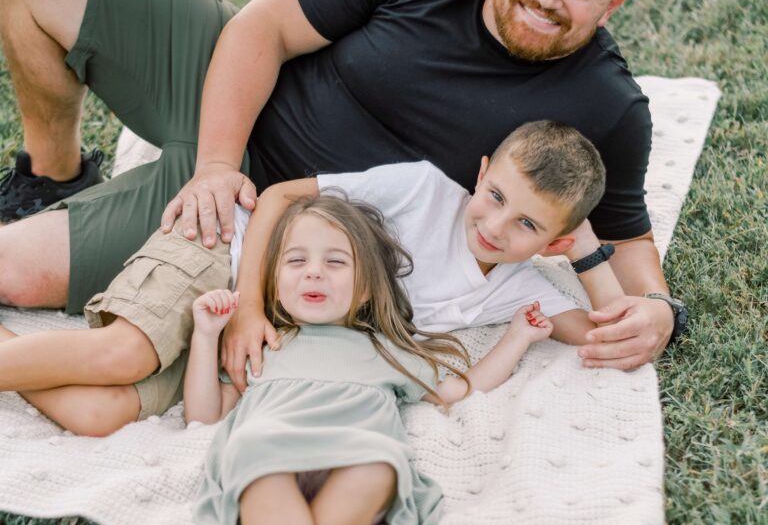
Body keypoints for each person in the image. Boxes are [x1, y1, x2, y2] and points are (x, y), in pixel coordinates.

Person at [0, 0, 684, 369]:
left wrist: (657, 307)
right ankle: (52, 171)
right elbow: (261, 28)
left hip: (264, 223)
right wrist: (215, 163)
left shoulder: (607, 107)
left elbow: (627, 236)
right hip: (231, 103)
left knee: (15, 274)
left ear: (612, 4)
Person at [175, 194, 568, 525]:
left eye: (335, 262)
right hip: (268, 453)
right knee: (256, 451)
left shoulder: (387, 349)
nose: (314, 273)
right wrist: (207, 337)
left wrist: (517, 338)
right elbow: (204, 417)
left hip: (355, 455)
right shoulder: (266, 343)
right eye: (296, 261)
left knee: (382, 465)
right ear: (273, 279)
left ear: (365, 287)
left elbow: (459, 389)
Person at [0, 122, 618, 434]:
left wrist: (586, 255)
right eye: (495, 195)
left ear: (555, 242)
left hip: (248, 347)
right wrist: (247, 307)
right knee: (123, 353)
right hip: (229, 258)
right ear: (480, 172)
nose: (496, 226)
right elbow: (277, 198)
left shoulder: (520, 288)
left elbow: (609, 331)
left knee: (98, 414)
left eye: (528, 225)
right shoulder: (424, 189)